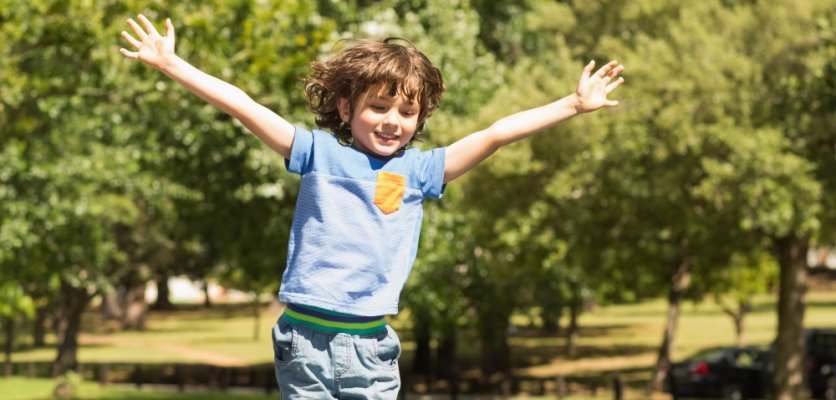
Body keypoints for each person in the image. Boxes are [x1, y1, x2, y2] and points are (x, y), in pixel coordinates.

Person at [119, 13, 624, 399]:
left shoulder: (421, 172)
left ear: (419, 118)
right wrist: (171, 64)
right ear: (347, 108)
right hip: (305, 341)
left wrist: (572, 105)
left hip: (372, 346)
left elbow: (495, 135)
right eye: (378, 107)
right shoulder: (316, 153)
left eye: (407, 111)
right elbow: (246, 106)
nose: (392, 121)